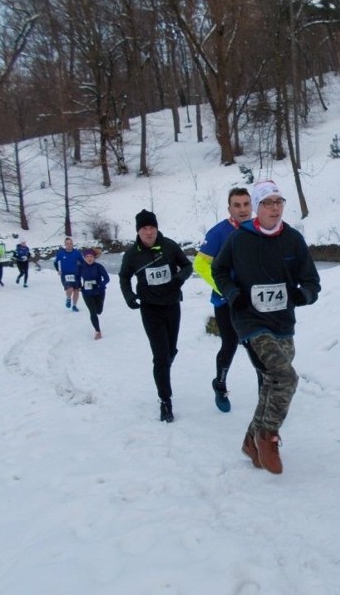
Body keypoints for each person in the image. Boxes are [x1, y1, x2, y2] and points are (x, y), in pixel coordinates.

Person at [212, 180, 321, 475]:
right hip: (250, 320)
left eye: (279, 202)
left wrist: (303, 294)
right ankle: (268, 437)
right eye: (268, 203)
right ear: (257, 208)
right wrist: (233, 295)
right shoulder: (239, 239)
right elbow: (218, 270)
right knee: (285, 377)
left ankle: (250, 439)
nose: (275, 208)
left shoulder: (294, 240)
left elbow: (312, 280)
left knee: (272, 382)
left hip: (283, 322)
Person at [119, 210, 193, 422]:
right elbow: (124, 276)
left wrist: (178, 279)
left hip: (171, 305)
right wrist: (129, 296)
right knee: (160, 356)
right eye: (145, 228)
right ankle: (165, 400)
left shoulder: (169, 246)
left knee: (170, 350)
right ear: (138, 231)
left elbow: (187, 265)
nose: (149, 232)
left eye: (152, 227)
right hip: (150, 308)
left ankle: (163, 370)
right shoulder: (132, 254)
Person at [194, 187, 263, 413]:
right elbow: (200, 265)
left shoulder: (259, 229)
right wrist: (224, 288)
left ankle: (265, 396)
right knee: (230, 345)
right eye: (237, 205)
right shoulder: (218, 232)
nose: (242, 209)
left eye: (246, 204)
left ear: (252, 206)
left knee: (258, 347)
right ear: (229, 208)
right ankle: (220, 385)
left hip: (254, 301)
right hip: (226, 301)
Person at [77, 248, 110, 340]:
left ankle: (97, 316)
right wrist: (79, 286)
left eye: (91, 256)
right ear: (84, 258)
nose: (89, 258)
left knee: (99, 311)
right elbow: (77, 278)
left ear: (94, 257)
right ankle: (97, 331)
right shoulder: (81, 267)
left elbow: (107, 279)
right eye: (87, 257)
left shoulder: (99, 267)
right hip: (87, 292)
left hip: (99, 292)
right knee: (92, 312)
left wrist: (100, 285)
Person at [54, 237, 84, 311]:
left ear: (72, 244)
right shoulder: (61, 253)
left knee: (76, 290)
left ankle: (74, 306)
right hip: (65, 275)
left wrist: (80, 266)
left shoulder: (77, 253)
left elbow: (82, 262)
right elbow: (55, 262)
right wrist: (58, 270)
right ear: (65, 245)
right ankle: (68, 298)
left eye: (70, 244)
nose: (69, 245)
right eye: (67, 244)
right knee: (70, 288)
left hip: (76, 274)